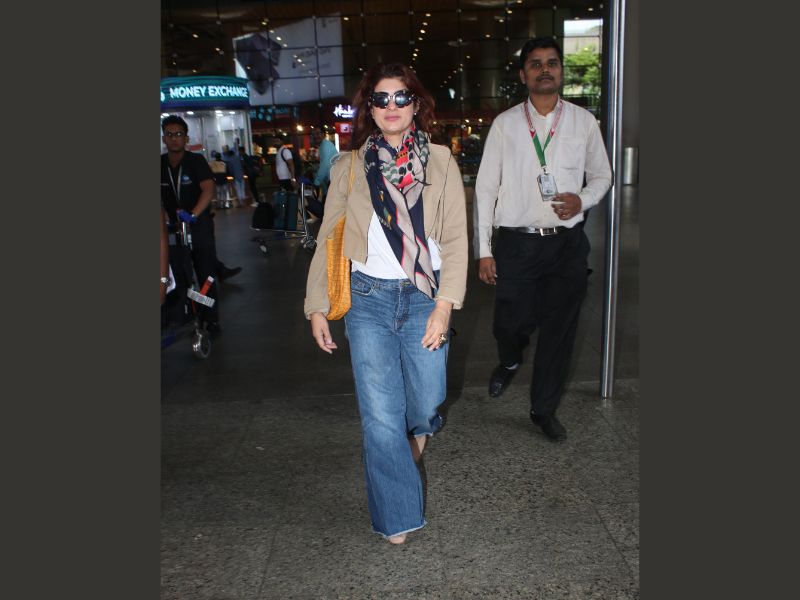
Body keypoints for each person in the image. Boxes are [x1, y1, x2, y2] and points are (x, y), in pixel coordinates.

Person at [304, 63, 468, 545]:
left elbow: (455, 239)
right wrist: (317, 305)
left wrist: (445, 305)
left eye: (401, 97)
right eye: (381, 99)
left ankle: (413, 437)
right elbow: (329, 237)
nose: (391, 107)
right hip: (368, 299)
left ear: (416, 104)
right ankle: (396, 515)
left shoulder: (441, 162)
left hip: (424, 297)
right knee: (379, 416)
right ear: (370, 109)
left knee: (427, 398)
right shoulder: (349, 166)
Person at [473, 37, 612, 442]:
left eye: (552, 62)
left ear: (561, 71)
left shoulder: (583, 122)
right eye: (536, 64)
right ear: (523, 75)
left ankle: (543, 409)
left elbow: (602, 175)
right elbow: (485, 188)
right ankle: (510, 359)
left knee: (560, 331)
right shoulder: (506, 124)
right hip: (517, 244)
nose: (545, 69)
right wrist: (484, 251)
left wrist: (583, 199)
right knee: (508, 323)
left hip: (566, 245)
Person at [161, 116, 241, 333]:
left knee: (205, 274)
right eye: (169, 134)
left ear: (186, 138)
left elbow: (208, 188)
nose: (174, 138)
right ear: (164, 138)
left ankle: (210, 318)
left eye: (179, 134)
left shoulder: (195, 161)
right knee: (178, 275)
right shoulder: (160, 163)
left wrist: (193, 214)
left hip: (198, 226)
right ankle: (185, 312)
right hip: (172, 230)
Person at [312, 129, 337, 201]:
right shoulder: (323, 145)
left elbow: (325, 165)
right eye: (313, 134)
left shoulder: (325, 145)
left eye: (317, 133)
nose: (315, 136)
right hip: (332, 179)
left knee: (329, 203)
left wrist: (317, 182)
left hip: (333, 179)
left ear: (323, 135)